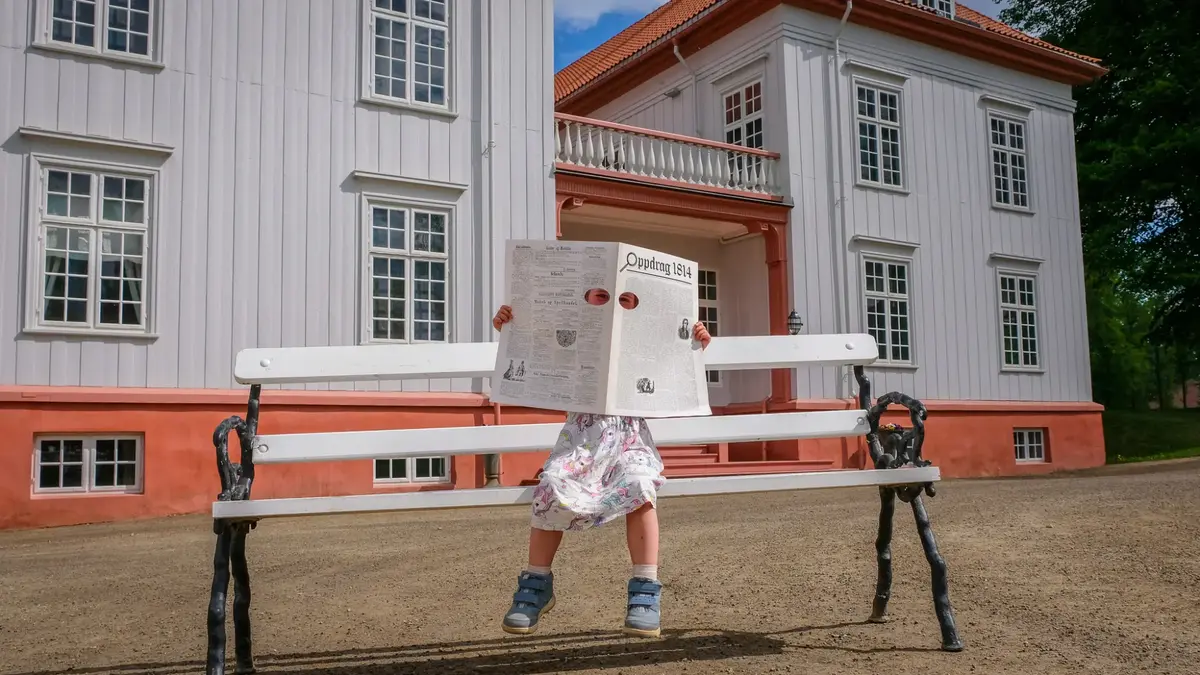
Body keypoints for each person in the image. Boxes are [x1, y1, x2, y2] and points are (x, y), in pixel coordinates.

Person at [491, 297, 711, 638]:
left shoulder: (640, 338)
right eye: (601, 297)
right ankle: (537, 582)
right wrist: (511, 328)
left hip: (629, 437)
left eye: (623, 299)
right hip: (582, 438)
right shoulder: (574, 331)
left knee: (640, 485)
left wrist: (692, 344)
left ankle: (645, 588)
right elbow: (535, 363)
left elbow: (672, 378)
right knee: (552, 483)